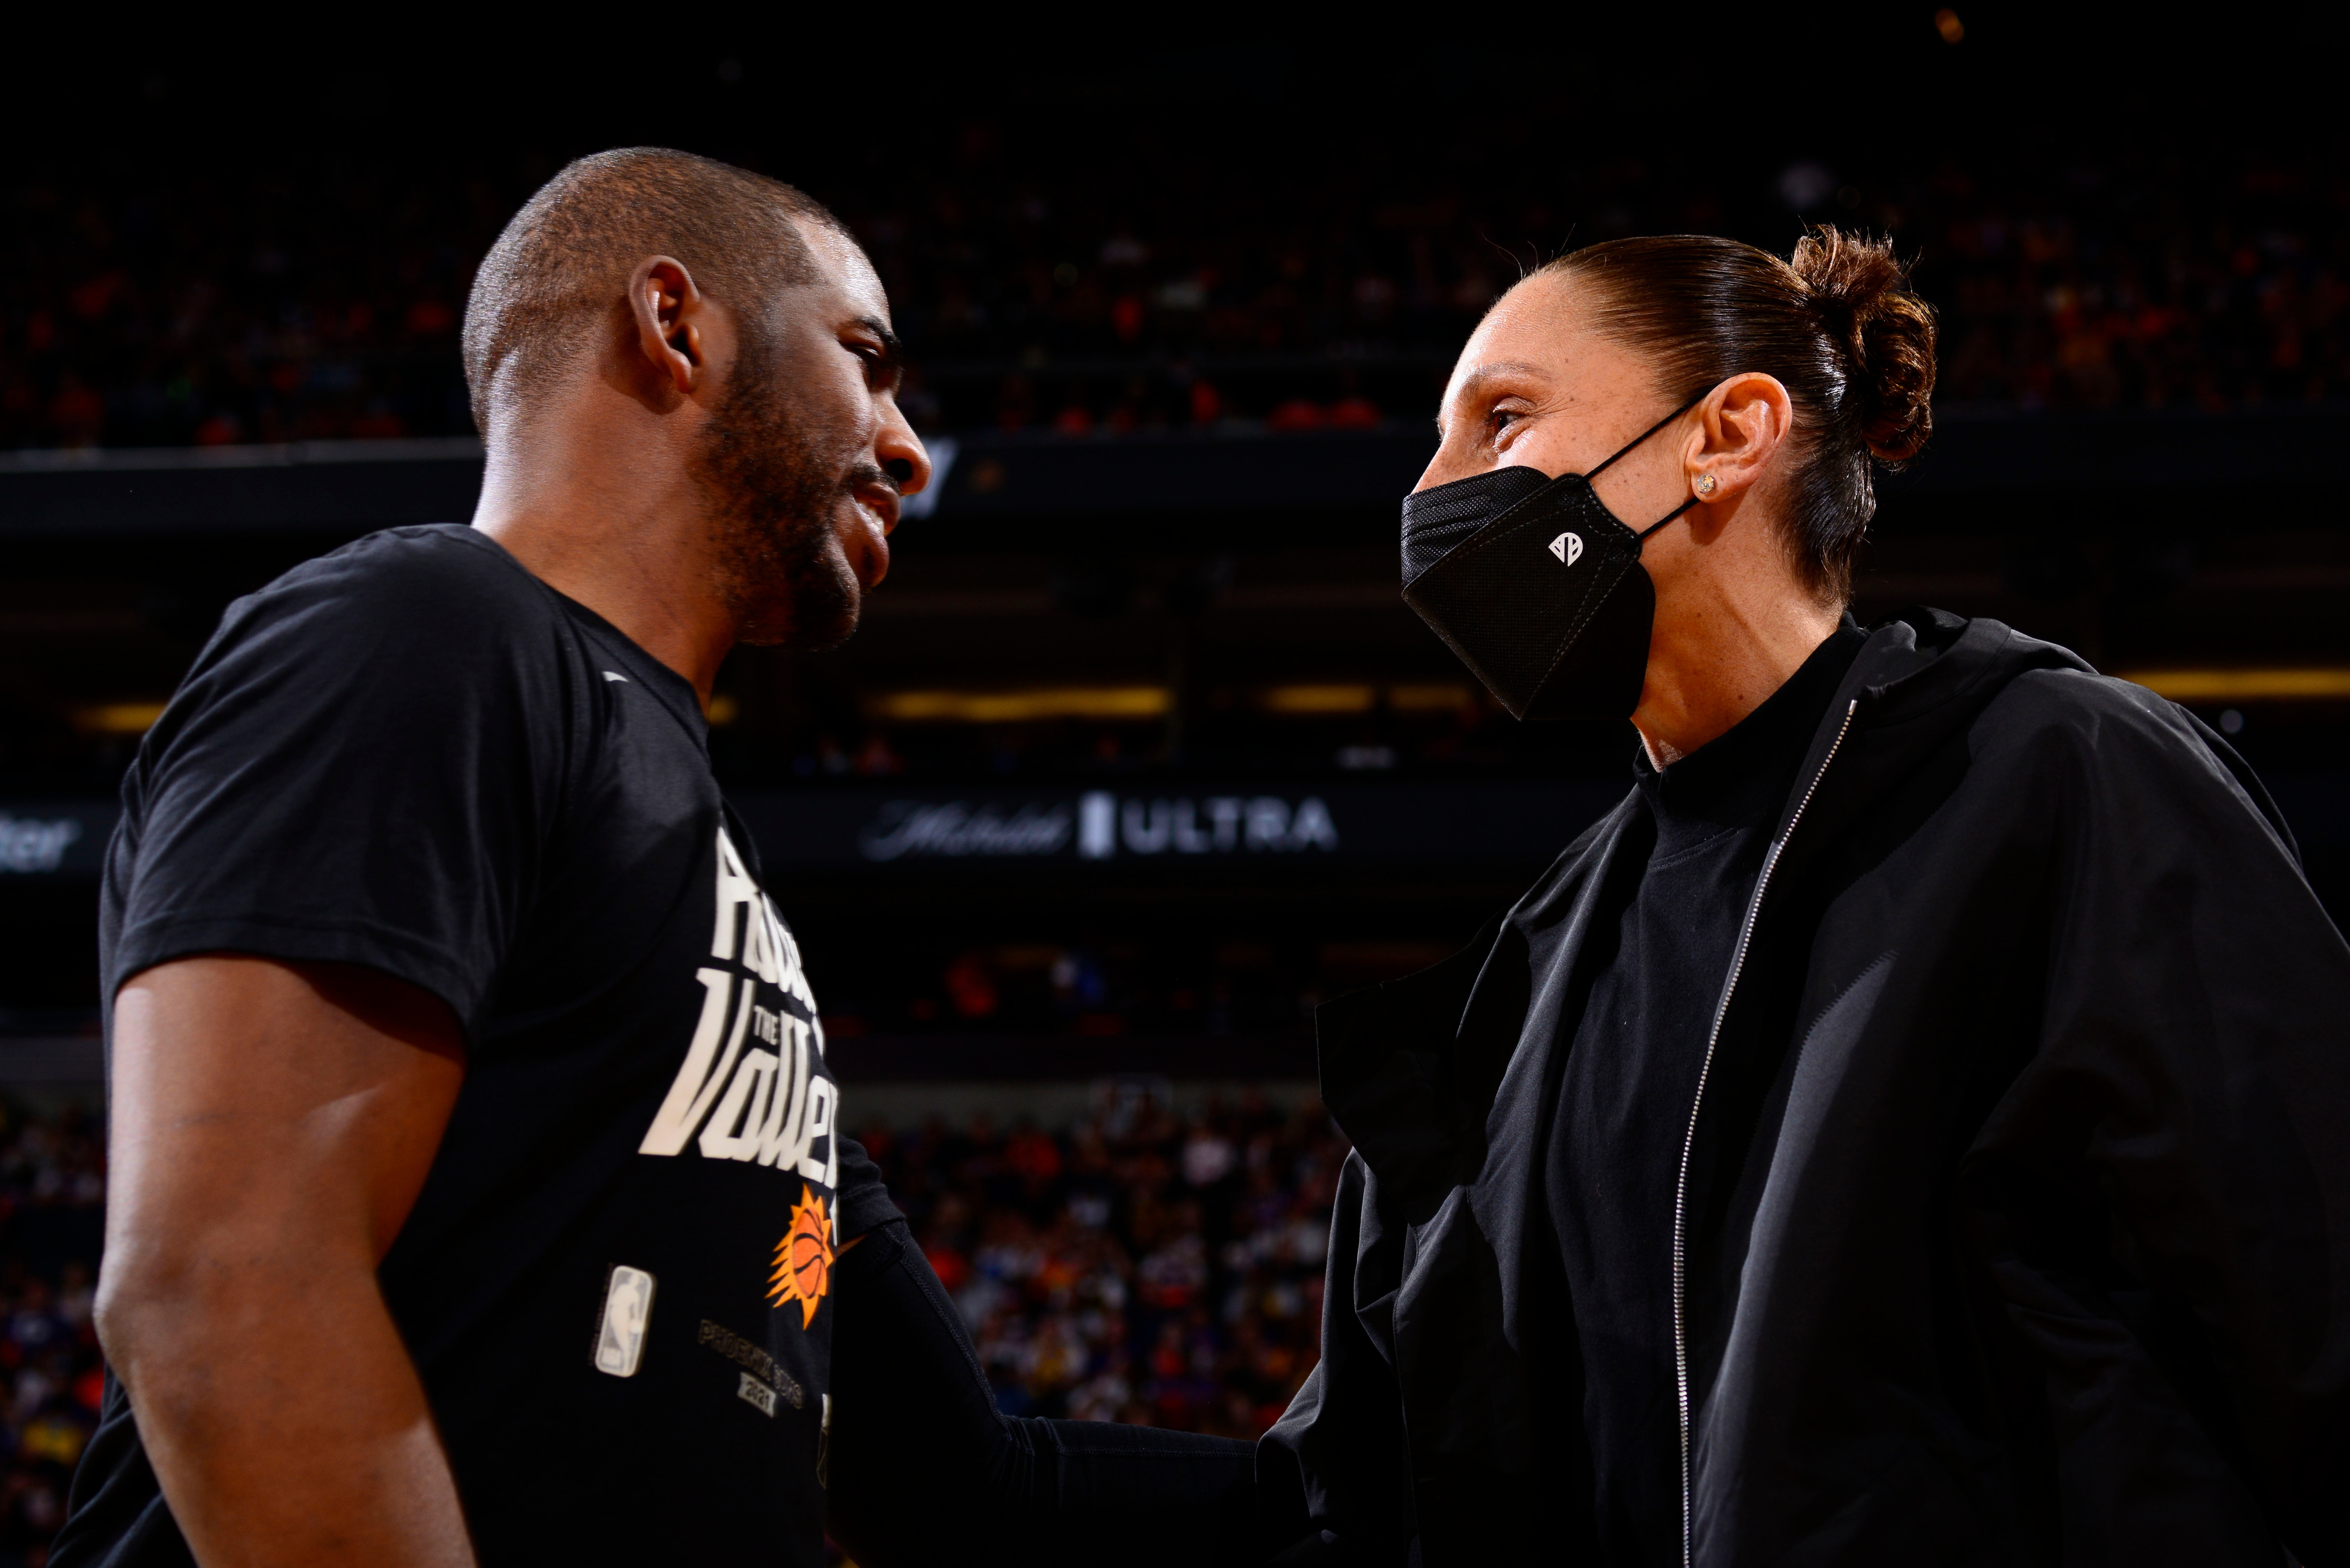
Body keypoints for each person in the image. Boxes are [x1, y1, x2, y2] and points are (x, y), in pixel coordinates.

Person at [55, 148, 1248, 1568]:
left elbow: (962, 1491)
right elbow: (224, 1288)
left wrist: (1371, 1469)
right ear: (675, 325)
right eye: (867, 361)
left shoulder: (703, 879)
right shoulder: (423, 630)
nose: (909, 442)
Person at [1255, 228, 2350, 1565]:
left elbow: (2314, 1322)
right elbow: (1341, 1498)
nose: (1432, 490)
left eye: (1501, 418)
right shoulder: (1528, 969)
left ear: (1728, 433)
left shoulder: (2065, 780)